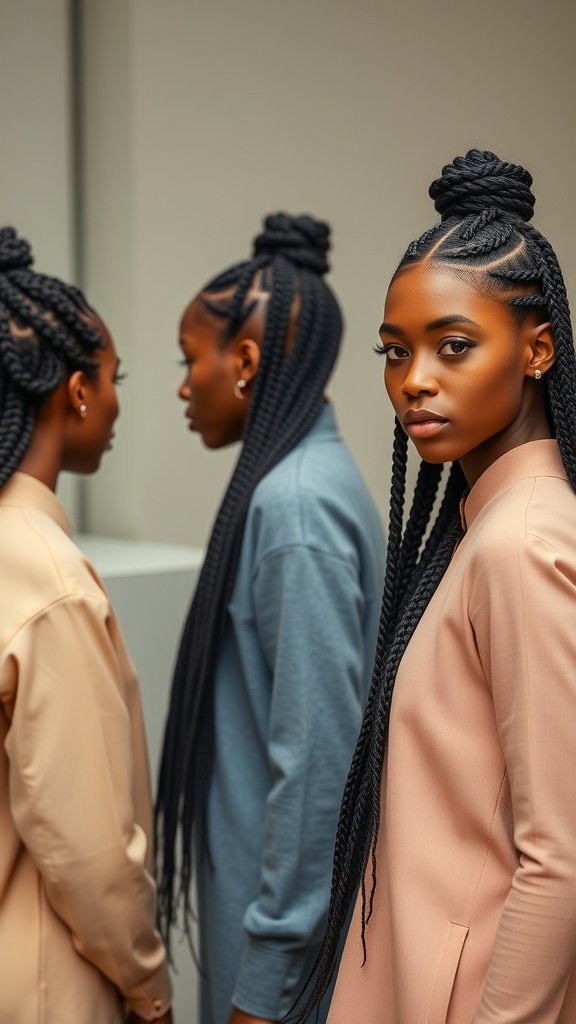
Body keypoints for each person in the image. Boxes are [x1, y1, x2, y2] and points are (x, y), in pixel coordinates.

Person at [293, 149, 576, 1024]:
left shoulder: (524, 542)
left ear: (536, 349)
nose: (413, 379)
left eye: (454, 345)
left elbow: (560, 854)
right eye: (395, 351)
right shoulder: (481, 530)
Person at [155, 213, 385, 1024]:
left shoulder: (295, 508)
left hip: (279, 976)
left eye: (191, 361)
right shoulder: (296, 484)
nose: (184, 386)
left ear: (245, 362)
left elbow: (318, 766)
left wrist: (264, 990)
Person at [0, 227, 172, 1024]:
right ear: (74, 390)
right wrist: (149, 988)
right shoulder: (47, 577)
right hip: (36, 984)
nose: (116, 401)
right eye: (114, 378)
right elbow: (91, 851)